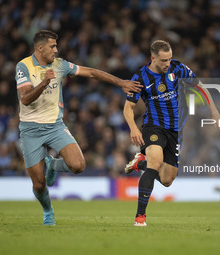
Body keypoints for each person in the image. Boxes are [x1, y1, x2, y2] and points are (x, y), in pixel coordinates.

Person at [15, 30, 142, 225]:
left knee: (78, 165)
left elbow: (91, 72)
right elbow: (25, 99)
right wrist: (44, 82)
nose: (56, 50)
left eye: (56, 46)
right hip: (30, 129)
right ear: (40, 48)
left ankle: (52, 164)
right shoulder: (23, 66)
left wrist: (120, 82)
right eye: (52, 46)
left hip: (55, 126)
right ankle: (48, 211)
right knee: (39, 184)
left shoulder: (60, 65)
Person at [123, 40, 220, 226]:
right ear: (152, 58)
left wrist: (215, 112)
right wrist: (133, 127)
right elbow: (128, 108)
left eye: (169, 59)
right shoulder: (140, 77)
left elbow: (200, 87)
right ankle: (140, 217)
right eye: (163, 60)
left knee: (167, 179)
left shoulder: (178, 68)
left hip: (176, 131)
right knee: (155, 162)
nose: (167, 64)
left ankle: (141, 162)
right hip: (153, 126)